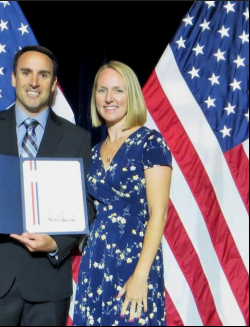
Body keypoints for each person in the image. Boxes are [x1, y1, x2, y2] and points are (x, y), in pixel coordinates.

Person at [0, 45, 92, 326]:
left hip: (48, 285)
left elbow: (86, 204)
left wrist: (56, 244)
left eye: (43, 75)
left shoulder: (77, 138)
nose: (34, 82)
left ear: (54, 84)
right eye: (26, 73)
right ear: (13, 78)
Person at [72, 61, 172, 326]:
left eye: (118, 90)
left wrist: (140, 275)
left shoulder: (150, 142)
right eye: (102, 90)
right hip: (95, 260)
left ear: (132, 96)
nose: (109, 98)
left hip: (135, 260)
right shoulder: (93, 153)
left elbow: (159, 213)